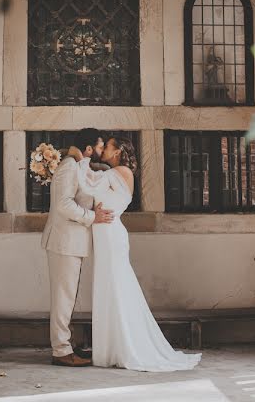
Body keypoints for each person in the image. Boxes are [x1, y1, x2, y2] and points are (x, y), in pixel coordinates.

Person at [67, 136, 202, 372]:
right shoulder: (118, 172)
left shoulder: (119, 172)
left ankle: (124, 347)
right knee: (111, 288)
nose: (104, 150)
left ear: (118, 150)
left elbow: (88, 184)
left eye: (107, 146)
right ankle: (114, 347)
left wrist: (79, 158)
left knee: (116, 289)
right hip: (107, 234)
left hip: (110, 235)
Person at [41, 128, 114, 367]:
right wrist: (93, 216)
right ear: (90, 148)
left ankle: (65, 346)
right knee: (63, 299)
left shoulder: (78, 165)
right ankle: (61, 351)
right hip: (64, 242)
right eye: (100, 146)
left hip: (72, 242)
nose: (102, 151)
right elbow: (63, 205)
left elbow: (90, 179)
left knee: (68, 298)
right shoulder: (68, 167)